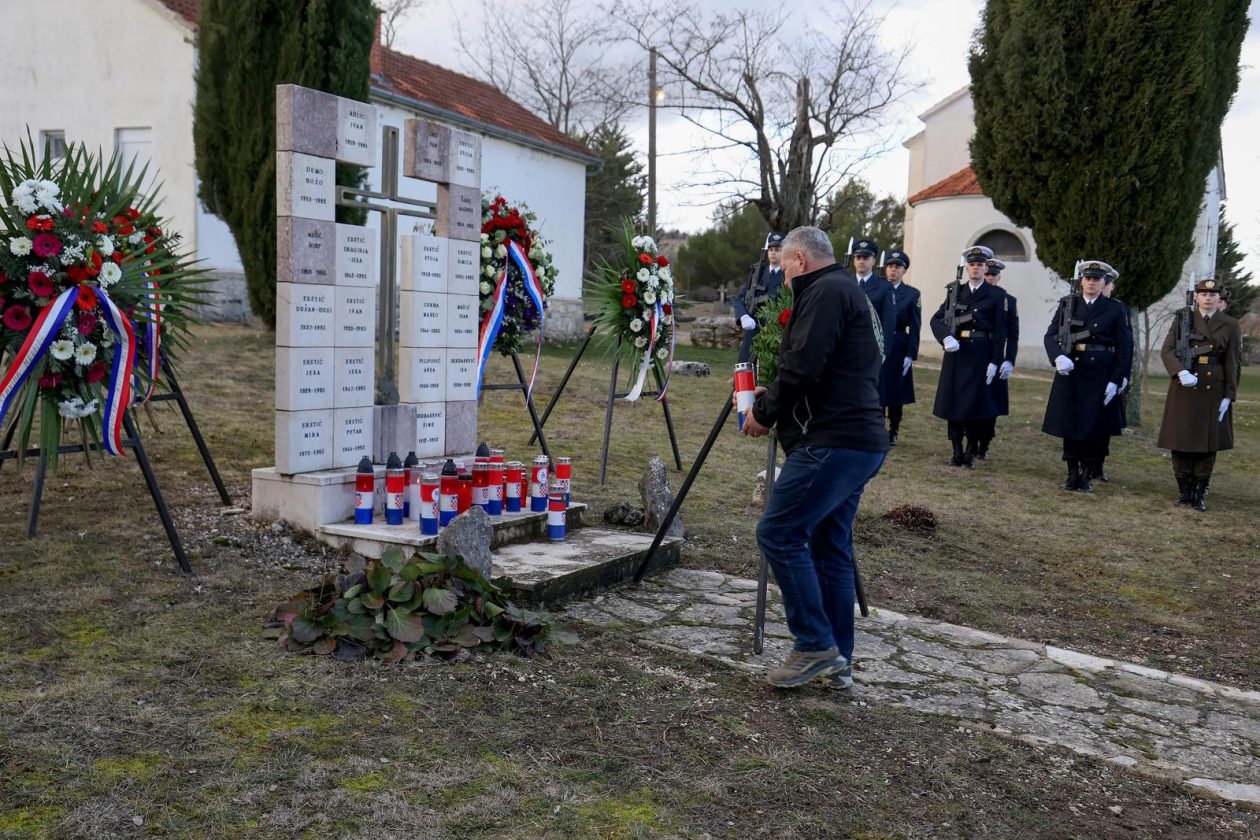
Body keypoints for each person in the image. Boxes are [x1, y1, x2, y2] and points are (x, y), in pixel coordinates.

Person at [740, 226, 888, 691]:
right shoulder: (842, 289)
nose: (781, 275)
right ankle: (837, 661)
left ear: (800, 260)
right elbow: (826, 367)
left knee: (779, 532)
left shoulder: (824, 292)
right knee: (829, 545)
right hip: (856, 438)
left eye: (783, 265)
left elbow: (803, 366)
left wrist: (764, 412)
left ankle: (814, 645)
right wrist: (778, 399)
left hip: (833, 440)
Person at [1041, 260, 1132, 491]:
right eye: (1088, 278)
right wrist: (1058, 357)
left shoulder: (1114, 309)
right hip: (1071, 371)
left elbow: (1124, 347)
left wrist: (1117, 379)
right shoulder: (1067, 305)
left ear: (1104, 284)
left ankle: (1088, 474)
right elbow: (1051, 336)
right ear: (1081, 281)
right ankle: (1072, 472)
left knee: (1094, 427)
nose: (1091, 282)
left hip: (1100, 372)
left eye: (1097, 279)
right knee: (1070, 423)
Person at [1156, 276, 1242, 510]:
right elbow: (1167, 350)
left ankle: (1200, 492)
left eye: (1212, 295)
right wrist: (1178, 372)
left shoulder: (1230, 324)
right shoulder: (1183, 320)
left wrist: (1228, 395)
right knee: (1181, 437)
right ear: (1197, 297)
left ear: (1218, 298)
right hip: (1185, 385)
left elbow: (1233, 362)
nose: (1208, 298)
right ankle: (1184, 491)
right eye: (1203, 294)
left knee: (1207, 443)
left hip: (1213, 387)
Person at [929, 244, 1008, 467]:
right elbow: (937, 319)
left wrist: (996, 360)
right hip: (957, 353)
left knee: (976, 405)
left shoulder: (996, 295)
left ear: (985, 269)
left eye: (979, 265)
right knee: (954, 404)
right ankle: (956, 450)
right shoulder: (955, 291)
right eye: (972, 264)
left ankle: (971, 452)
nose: (975, 268)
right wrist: (945, 337)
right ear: (966, 268)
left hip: (981, 354)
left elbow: (1001, 332)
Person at [1092, 266, 1134, 482]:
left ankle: (1098, 463)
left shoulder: (1119, 310)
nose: (1104, 287)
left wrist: (1123, 375)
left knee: (1104, 420)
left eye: (1107, 284)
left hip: (1111, 371)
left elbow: (1127, 346)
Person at [973, 258, 1017, 459]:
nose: (990, 277)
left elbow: (1012, 334)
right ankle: (972, 442)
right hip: (979, 356)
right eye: (987, 274)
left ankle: (985, 442)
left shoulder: (1007, 300)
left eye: (993, 275)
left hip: (997, 358)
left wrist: (1009, 359)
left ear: (999, 277)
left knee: (991, 404)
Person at [848, 237, 896, 399]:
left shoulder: (884, 287)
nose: (861, 261)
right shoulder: (844, 282)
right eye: (858, 257)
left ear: (873, 261)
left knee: (869, 393)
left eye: (865, 258)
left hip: (872, 347)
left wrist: (885, 352)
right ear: (854, 260)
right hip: (847, 345)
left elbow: (889, 322)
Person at [880, 250, 920, 445]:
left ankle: (893, 429)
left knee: (896, 392)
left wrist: (910, 354)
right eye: (890, 266)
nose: (893, 270)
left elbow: (915, 325)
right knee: (877, 389)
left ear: (904, 270)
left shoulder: (912, 294)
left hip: (898, 345)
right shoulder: (879, 289)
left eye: (897, 267)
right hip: (879, 344)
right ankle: (877, 428)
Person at [734, 231, 786, 363]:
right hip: (753, 328)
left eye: (778, 249)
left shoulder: (787, 275)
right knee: (746, 371)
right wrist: (743, 316)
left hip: (775, 331)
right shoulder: (758, 273)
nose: (773, 253)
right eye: (771, 249)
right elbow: (740, 298)